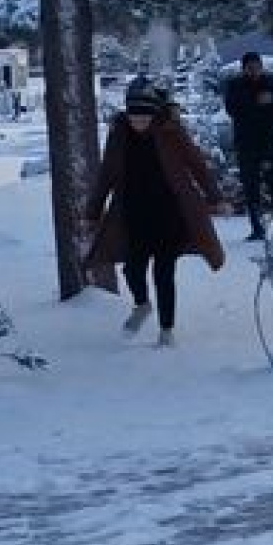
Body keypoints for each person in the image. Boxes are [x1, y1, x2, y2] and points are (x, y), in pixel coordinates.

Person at [84, 78, 225, 347]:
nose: (138, 121)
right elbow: (106, 174)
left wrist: (215, 197)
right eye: (133, 115)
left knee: (163, 272)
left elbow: (197, 165)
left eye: (143, 116)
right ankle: (141, 305)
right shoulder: (119, 134)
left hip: (170, 213)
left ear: (153, 112)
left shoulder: (171, 132)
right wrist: (93, 211)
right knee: (132, 270)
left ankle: (167, 330)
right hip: (134, 213)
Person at [222, 51, 273, 241]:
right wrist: (255, 102)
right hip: (247, 143)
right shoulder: (235, 86)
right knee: (251, 187)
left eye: (257, 67)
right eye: (250, 68)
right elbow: (232, 108)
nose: (254, 71)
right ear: (244, 69)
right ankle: (258, 228)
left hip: (270, 141)